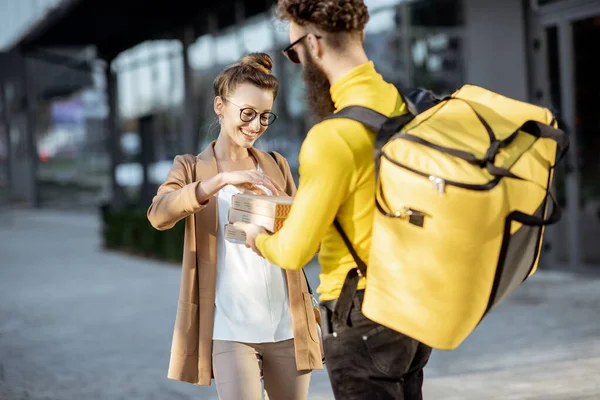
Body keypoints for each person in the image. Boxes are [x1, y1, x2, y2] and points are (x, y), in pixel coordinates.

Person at [234, 2, 432, 399]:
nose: (296, 62)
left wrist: (257, 236)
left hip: (360, 314)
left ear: (315, 45)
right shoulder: (404, 107)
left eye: (293, 52)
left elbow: (293, 252)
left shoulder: (331, 137)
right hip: (412, 303)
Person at [147, 52, 323, 400]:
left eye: (264, 116)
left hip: (287, 324)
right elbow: (159, 214)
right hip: (230, 328)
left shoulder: (277, 166)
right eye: (247, 114)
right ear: (220, 106)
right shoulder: (191, 167)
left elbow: (307, 237)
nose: (255, 125)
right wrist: (219, 181)